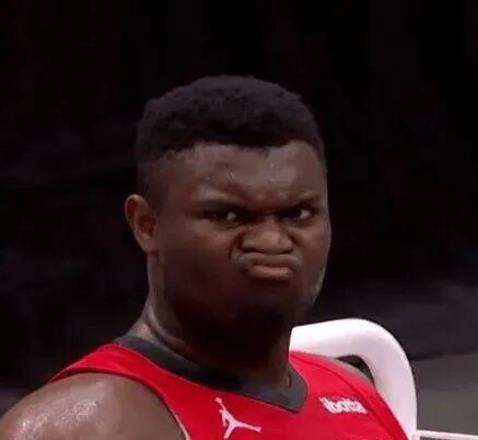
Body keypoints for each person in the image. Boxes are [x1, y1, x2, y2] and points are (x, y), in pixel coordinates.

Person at [0, 76, 407, 439]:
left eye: (297, 213)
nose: (271, 240)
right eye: (228, 216)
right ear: (146, 224)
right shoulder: (78, 429)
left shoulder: (351, 389)